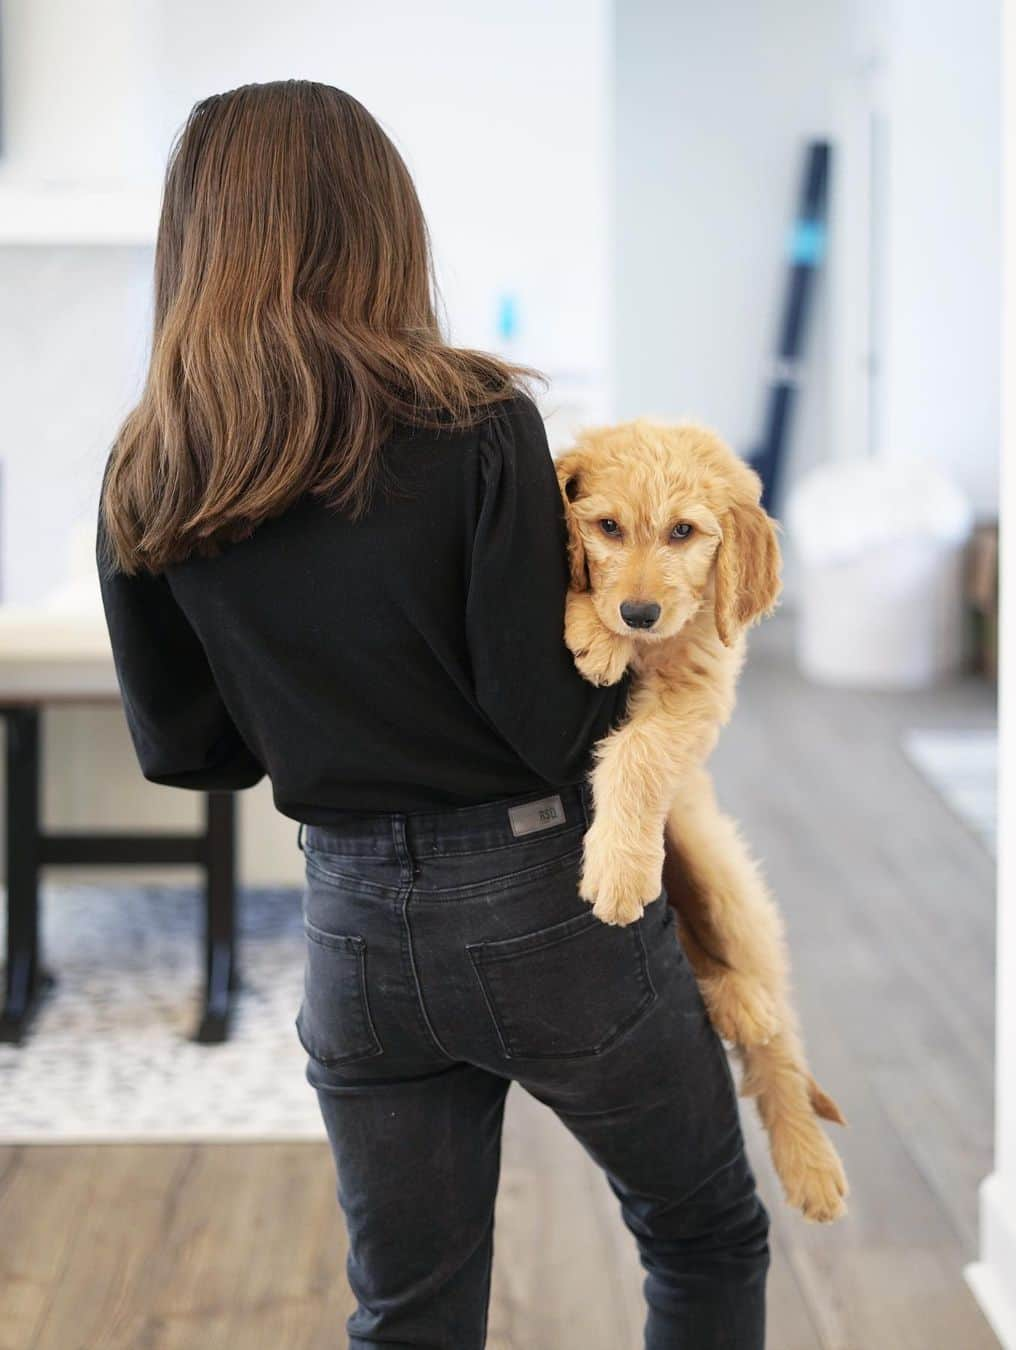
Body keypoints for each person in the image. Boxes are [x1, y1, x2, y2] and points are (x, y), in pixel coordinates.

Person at [96, 80, 769, 1349]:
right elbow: (537, 722)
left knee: (406, 1315)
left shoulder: (155, 459)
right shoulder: (473, 421)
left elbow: (187, 751)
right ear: (381, 223)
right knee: (702, 1233)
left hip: (351, 930)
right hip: (543, 909)